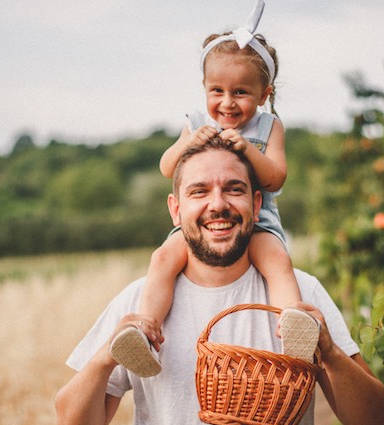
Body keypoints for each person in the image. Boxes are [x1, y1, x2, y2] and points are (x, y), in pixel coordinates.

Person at [55, 137, 384, 425]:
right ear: (175, 209)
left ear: (257, 205)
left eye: (234, 189)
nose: (218, 204)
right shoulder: (140, 303)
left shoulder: (301, 296)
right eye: (199, 191)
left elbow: (372, 421)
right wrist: (105, 358)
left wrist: (330, 355)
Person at [110, 0, 314, 377]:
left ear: (264, 93)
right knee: (163, 259)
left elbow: (275, 178)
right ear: (204, 89)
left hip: (258, 220)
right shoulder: (197, 121)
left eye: (240, 92)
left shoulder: (269, 128)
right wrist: (189, 142)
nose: (227, 102)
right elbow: (166, 166)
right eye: (216, 90)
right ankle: (145, 331)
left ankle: (293, 330)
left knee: (277, 263)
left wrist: (248, 151)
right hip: (202, 224)